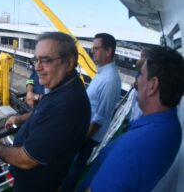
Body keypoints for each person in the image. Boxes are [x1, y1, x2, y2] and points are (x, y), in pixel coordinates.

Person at [0, 32, 91, 191]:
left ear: (68, 63)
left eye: (45, 60)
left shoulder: (67, 105)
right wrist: (20, 118)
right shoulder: (61, 89)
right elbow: (41, 113)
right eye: (36, 60)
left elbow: (27, 160)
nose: (37, 67)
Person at [79, 47, 184, 192]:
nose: (137, 80)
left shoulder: (138, 142)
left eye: (141, 74)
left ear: (152, 85)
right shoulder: (170, 126)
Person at [61, 33, 122, 191]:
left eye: (96, 48)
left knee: (74, 169)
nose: (92, 51)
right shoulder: (102, 73)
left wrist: (80, 138)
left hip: (87, 136)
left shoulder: (109, 79)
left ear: (108, 52)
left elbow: (99, 118)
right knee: (71, 167)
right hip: (83, 132)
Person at [129, 49, 148, 121]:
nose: (141, 57)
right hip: (138, 96)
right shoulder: (141, 69)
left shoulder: (146, 65)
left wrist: (136, 85)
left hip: (142, 97)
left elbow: (138, 63)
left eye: (143, 55)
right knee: (134, 112)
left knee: (137, 114)